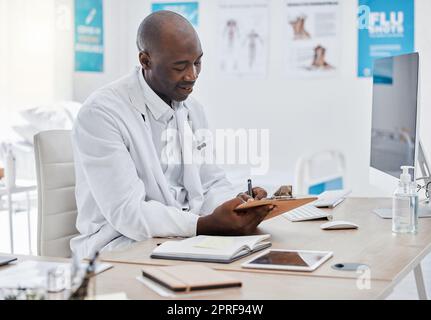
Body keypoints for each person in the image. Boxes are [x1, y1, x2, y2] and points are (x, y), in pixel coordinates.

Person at [71, 11, 273, 259]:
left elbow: (211, 183)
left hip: (185, 238)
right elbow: (128, 213)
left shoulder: (192, 109)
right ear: (146, 61)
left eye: (197, 62)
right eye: (180, 66)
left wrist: (239, 204)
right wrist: (204, 225)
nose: (192, 75)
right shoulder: (102, 114)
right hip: (120, 246)